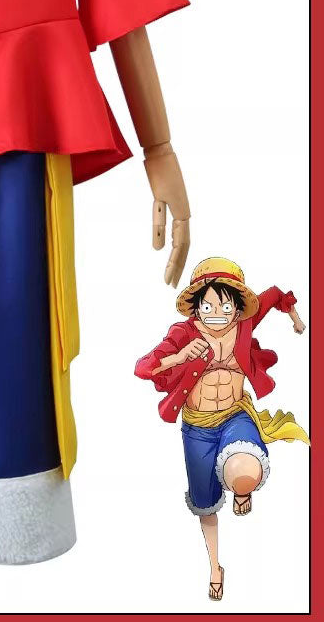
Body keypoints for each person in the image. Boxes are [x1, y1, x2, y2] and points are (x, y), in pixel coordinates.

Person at [135, 257, 309, 601]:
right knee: (206, 505)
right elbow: (143, 368)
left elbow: (275, 294)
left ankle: (242, 488)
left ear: (237, 307)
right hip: (197, 429)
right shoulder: (183, 333)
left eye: (225, 305)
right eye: (208, 305)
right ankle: (215, 567)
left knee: (245, 471)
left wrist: (295, 316)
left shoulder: (244, 326)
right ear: (197, 306)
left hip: (235, 415)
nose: (217, 312)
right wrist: (180, 356)